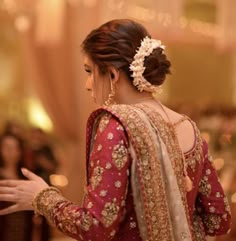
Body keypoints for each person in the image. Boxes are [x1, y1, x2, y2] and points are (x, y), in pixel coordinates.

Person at [0, 19, 231, 241]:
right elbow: (218, 219)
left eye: (89, 71)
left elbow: (96, 227)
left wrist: (42, 197)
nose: (87, 84)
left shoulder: (117, 125)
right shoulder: (189, 128)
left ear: (112, 74)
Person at [0, 133, 33, 241]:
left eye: (14, 148)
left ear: (19, 151)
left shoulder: (25, 176)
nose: (10, 152)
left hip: (22, 229)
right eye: (6, 147)